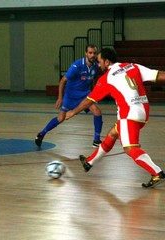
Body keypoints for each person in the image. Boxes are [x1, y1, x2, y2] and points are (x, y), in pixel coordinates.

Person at [65, 47, 165, 188]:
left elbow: (89, 101)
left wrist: (72, 112)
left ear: (106, 62)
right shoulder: (132, 66)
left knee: (130, 148)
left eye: (99, 62)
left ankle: (157, 173)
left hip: (129, 115)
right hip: (143, 111)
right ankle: (89, 162)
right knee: (113, 132)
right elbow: (159, 75)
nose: (98, 65)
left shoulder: (106, 79)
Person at [35, 44, 103, 148]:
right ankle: (42, 133)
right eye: (90, 53)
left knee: (97, 111)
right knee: (61, 118)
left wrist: (92, 93)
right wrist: (60, 98)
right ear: (86, 53)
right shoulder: (77, 66)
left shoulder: (95, 66)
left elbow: (93, 80)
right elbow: (63, 81)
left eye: (94, 53)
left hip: (85, 94)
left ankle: (96, 140)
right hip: (71, 95)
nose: (92, 55)